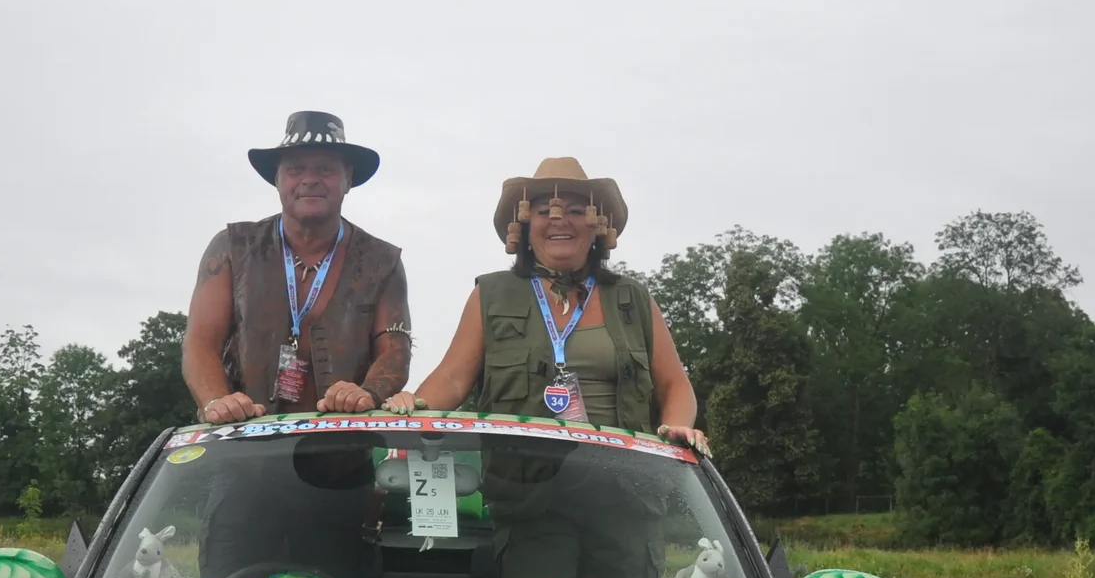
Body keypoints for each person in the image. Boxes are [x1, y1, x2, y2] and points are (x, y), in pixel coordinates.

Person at [386, 156, 707, 450]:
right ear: (524, 227)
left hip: (625, 486)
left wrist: (677, 428)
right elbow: (452, 378)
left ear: (597, 226)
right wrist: (413, 405)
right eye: (544, 212)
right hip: (520, 487)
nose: (560, 221)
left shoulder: (633, 299)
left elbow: (675, 385)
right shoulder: (491, 294)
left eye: (577, 211)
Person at [182, 111, 410, 423]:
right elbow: (199, 344)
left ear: (348, 180)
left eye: (326, 169)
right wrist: (217, 402)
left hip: (342, 441)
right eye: (295, 169)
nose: (310, 179)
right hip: (238, 438)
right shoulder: (231, 247)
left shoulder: (383, 261)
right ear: (277, 179)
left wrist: (367, 393)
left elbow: (394, 351)